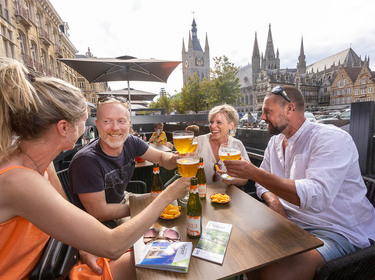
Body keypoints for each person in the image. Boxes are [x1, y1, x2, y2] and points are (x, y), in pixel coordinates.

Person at [0, 58, 190, 280]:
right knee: (163, 257)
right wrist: (168, 194)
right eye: (85, 119)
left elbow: (64, 214)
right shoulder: (18, 180)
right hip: (38, 272)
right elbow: (112, 245)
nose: (87, 125)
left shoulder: (40, 162)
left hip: (57, 255)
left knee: (162, 252)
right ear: (64, 128)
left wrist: (81, 246)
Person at [224, 85, 375, 280]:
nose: (262, 118)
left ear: (290, 109)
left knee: (274, 274)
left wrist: (254, 173)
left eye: (267, 111)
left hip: (336, 230)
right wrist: (274, 201)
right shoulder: (275, 142)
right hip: (291, 224)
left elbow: (316, 197)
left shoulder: (331, 139)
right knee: (243, 251)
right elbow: (263, 182)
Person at [69, 99, 177, 226]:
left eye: (121, 121)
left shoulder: (131, 142)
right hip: (98, 223)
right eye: (107, 121)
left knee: (172, 205)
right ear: (97, 125)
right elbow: (99, 212)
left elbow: (162, 159)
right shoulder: (86, 161)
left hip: (123, 199)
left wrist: (176, 159)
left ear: (129, 125)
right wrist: (146, 207)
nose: (115, 128)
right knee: (155, 224)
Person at [195, 104, 249, 186]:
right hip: (202, 193)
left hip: (226, 197)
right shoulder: (199, 142)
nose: (212, 126)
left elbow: (244, 179)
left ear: (231, 125)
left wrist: (232, 180)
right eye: (211, 122)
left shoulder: (237, 145)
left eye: (219, 122)